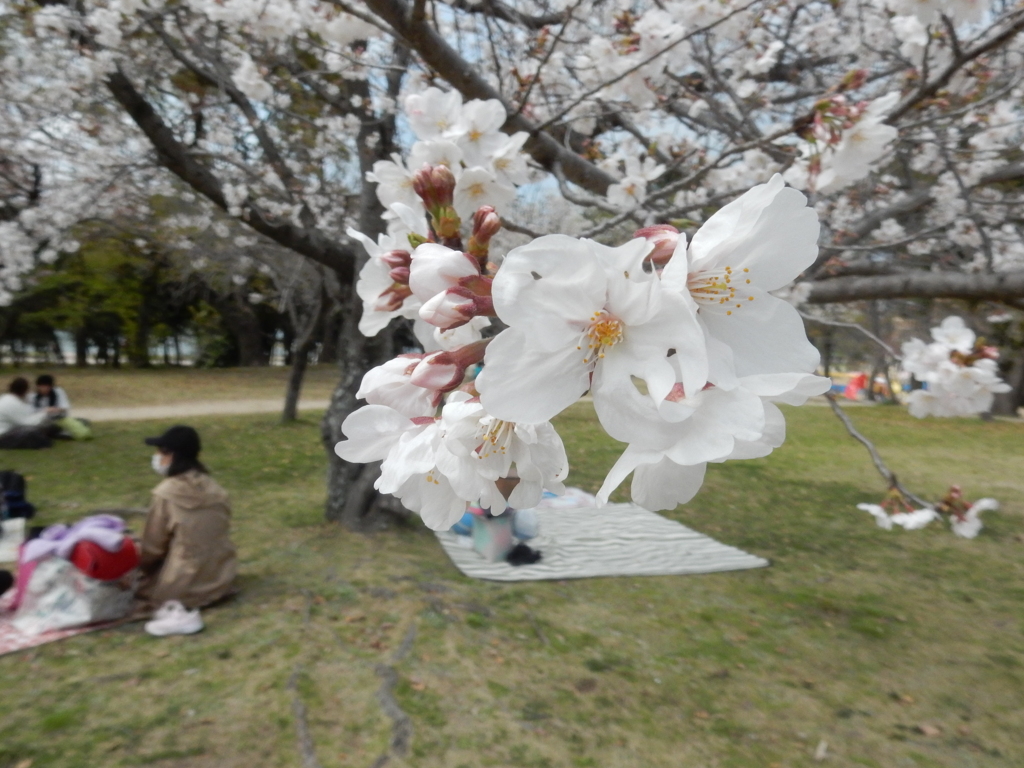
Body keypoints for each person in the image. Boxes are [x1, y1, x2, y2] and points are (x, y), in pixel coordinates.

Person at [136, 425, 238, 636]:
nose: (156, 457)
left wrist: (138, 571)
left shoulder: (166, 494)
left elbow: (152, 548)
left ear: (170, 455)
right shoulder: (216, 488)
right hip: (222, 576)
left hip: (183, 587)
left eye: (159, 452)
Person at [0, 377, 63, 449]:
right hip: (3, 436)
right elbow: (28, 423)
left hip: (9, 431)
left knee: (44, 428)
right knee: (33, 432)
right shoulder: (12, 402)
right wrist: (46, 412)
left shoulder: (8, 398)